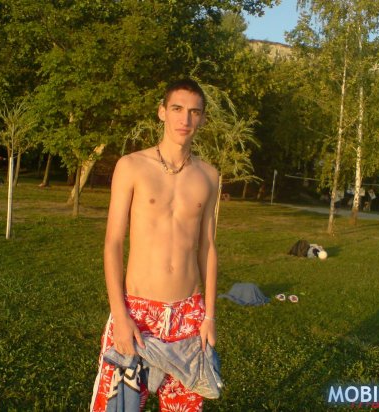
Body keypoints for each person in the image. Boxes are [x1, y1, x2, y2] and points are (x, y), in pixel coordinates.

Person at [90, 78, 219, 412]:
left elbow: (207, 247)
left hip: (189, 316)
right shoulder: (131, 166)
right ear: (162, 112)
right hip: (137, 313)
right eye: (177, 109)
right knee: (119, 406)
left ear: (203, 118)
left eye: (194, 112)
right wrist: (120, 315)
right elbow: (113, 243)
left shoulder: (209, 176)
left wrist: (209, 316)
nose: (185, 119)